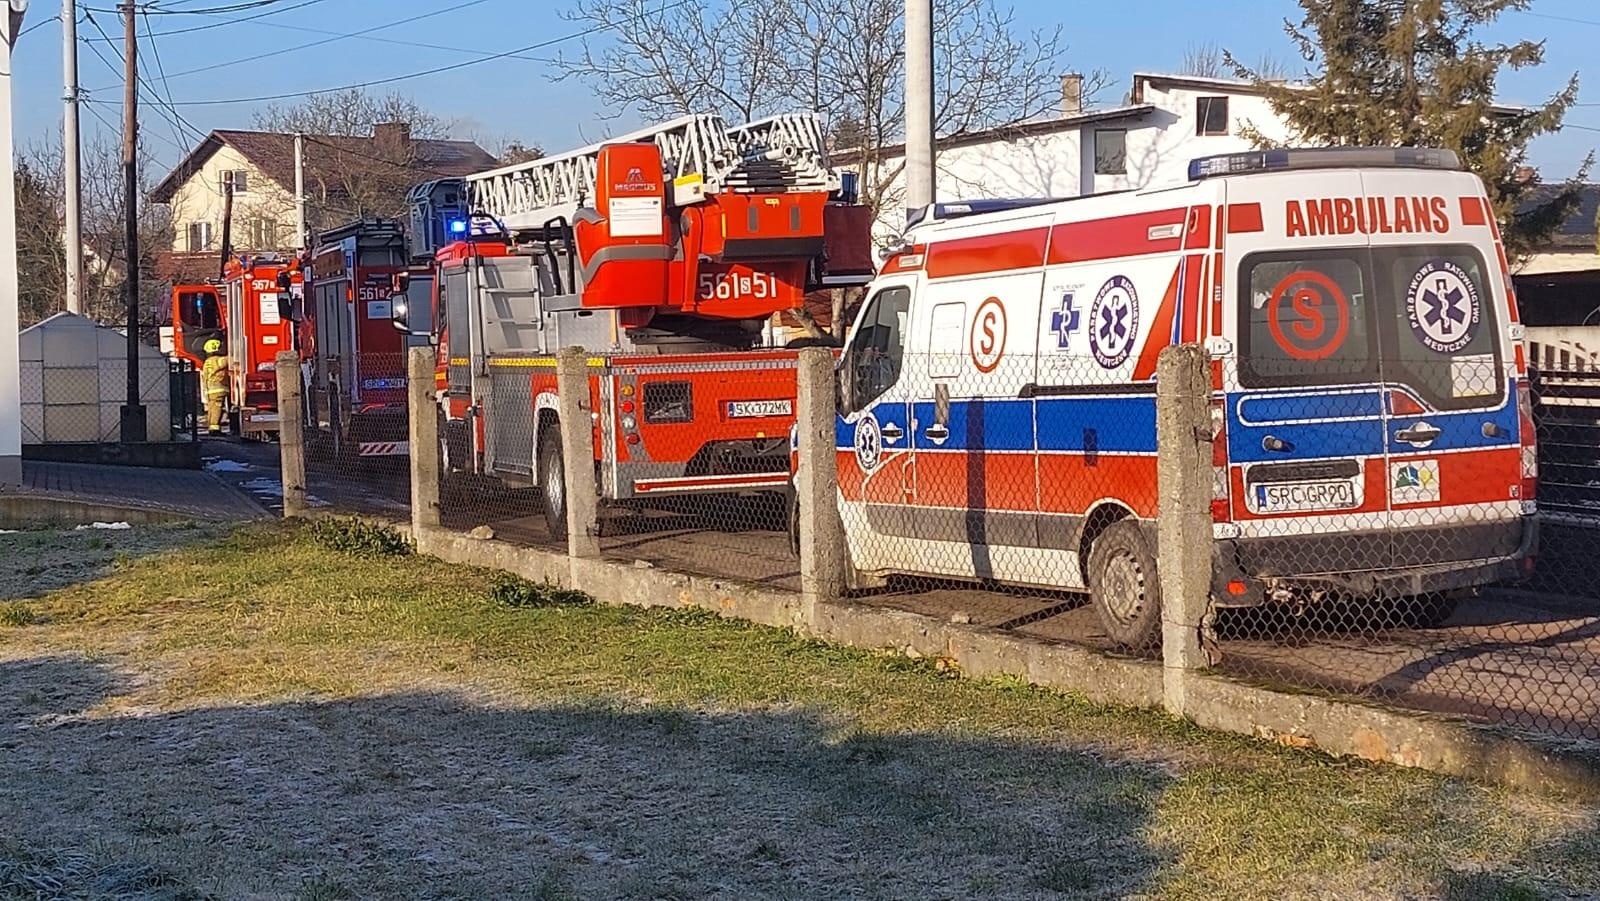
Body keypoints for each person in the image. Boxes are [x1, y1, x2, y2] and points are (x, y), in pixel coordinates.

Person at [200, 338, 230, 435]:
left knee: (212, 408)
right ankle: (215, 429)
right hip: (219, 388)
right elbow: (228, 360)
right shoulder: (218, 360)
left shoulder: (207, 362)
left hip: (210, 389)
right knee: (217, 408)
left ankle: (212, 427)